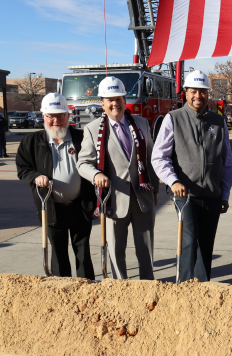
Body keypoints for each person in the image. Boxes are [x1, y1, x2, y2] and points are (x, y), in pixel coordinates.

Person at [151, 70, 232, 282]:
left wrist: (224, 193)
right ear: (185, 93)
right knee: (188, 241)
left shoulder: (218, 121)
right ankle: (185, 285)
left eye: (203, 91)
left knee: (206, 244)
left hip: (213, 195)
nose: (198, 95)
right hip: (185, 195)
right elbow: (159, 158)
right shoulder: (173, 119)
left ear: (208, 94)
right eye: (193, 91)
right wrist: (173, 181)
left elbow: (227, 162)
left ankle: (203, 287)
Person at [77, 76, 159, 280]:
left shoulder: (141, 124)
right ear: (103, 103)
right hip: (113, 200)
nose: (115, 104)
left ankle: (147, 288)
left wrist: (155, 190)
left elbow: (151, 160)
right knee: (116, 252)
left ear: (125, 100)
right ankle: (120, 289)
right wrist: (96, 174)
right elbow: (82, 163)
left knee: (146, 252)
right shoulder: (93, 129)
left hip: (143, 199)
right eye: (110, 100)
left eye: (119, 99)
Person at [15, 93, 95, 278]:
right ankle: (61, 288)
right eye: (50, 116)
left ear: (68, 116)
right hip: (50, 208)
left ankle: (87, 288)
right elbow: (23, 169)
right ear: (43, 117)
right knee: (58, 252)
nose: (55, 121)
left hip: (80, 206)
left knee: (82, 251)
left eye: (60, 116)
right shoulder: (32, 142)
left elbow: (94, 163)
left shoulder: (81, 138)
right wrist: (36, 177)